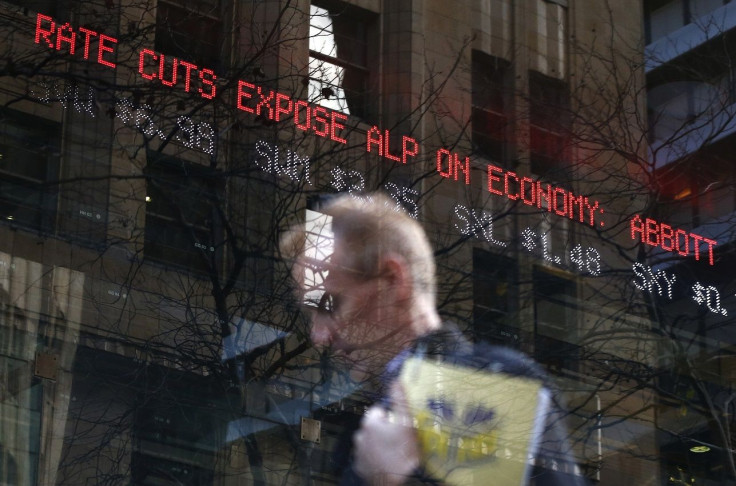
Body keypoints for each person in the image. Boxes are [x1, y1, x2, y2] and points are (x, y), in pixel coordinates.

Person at [280, 193, 588, 486]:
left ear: (393, 279)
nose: (319, 336)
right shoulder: (367, 424)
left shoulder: (491, 385)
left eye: (330, 305)